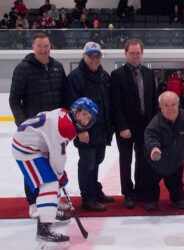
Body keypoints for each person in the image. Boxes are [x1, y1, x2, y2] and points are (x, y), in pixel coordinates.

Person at [12, 97, 98, 242]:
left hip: (34, 144)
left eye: (89, 118)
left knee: (53, 181)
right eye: (84, 114)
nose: (85, 120)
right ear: (75, 110)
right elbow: (58, 157)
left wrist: (59, 174)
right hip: (27, 149)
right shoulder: (66, 126)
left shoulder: (65, 115)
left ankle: (50, 210)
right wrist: (60, 174)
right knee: (50, 184)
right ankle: (44, 228)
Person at [9, 32, 68, 219]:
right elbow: (14, 100)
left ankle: (52, 200)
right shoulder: (23, 69)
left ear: (51, 47)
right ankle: (33, 202)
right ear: (33, 47)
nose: (43, 50)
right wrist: (23, 124)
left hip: (55, 130)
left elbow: (63, 97)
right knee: (33, 166)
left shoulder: (58, 67)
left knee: (53, 165)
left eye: (46, 46)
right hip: (34, 132)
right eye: (39, 46)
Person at [66, 42, 114, 212]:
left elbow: (109, 102)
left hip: (102, 129)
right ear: (84, 56)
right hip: (86, 132)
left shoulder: (104, 76)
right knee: (87, 164)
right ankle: (88, 199)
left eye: (97, 56)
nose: (94, 59)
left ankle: (95, 191)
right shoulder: (75, 77)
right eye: (91, 56)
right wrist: (80, 130)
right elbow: (71, 106)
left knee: (97, 162)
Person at [110, 39, 158, 209]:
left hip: (146, 125)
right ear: (126, 54)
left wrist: (154, 125)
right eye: (132, 53)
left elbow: (153, 100)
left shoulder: (149, 73)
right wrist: (122, 127)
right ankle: (128, 193)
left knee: (143, 160)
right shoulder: (117, 75)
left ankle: (140, 190)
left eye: (138, 53)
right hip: (126, 127)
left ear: (142, 54)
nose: (135, 56)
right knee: (126, 160)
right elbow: (115, 104)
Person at [143, 91, 184, 210]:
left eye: (173, 105)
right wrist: (154, 148)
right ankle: (151, 201)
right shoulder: (155, 123)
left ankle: (177, 199)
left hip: (176, 159)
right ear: (160, 107)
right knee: (151, 183)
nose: (170, 108)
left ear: (178, 104)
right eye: (166, 105)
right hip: (156, 160)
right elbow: (150, 137)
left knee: (176, 182)